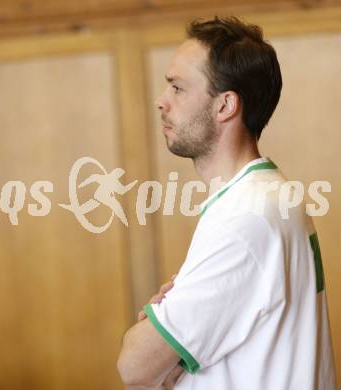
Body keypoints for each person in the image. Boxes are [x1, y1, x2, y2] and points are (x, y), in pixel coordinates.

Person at [117, 16, 336, 390]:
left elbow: (135, 367)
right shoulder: (266, 195)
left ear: (225, 106)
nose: (161, 101)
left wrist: (151, 327)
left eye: (178, 88)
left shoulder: (245, 217)